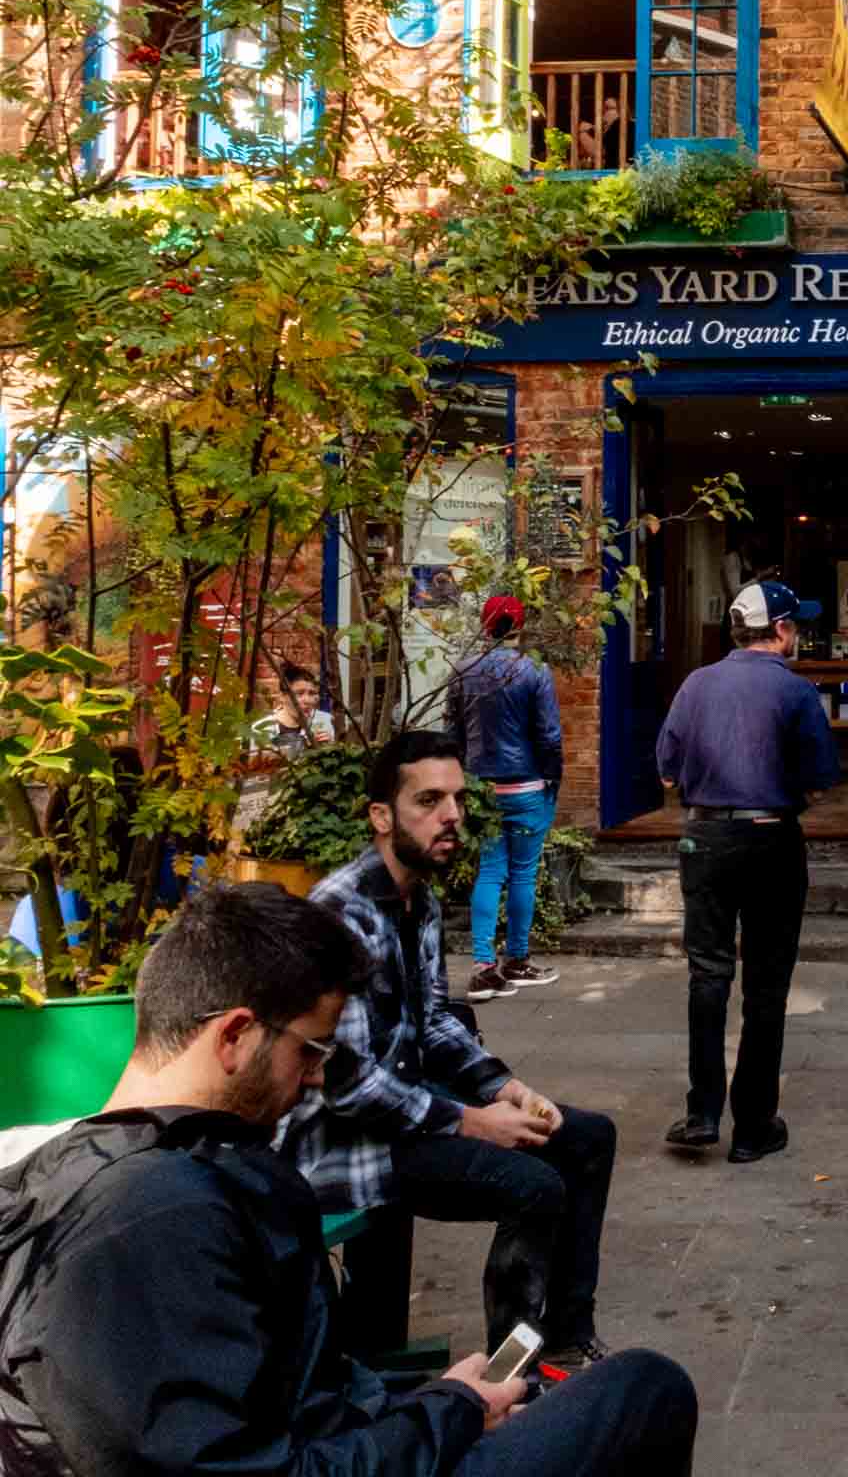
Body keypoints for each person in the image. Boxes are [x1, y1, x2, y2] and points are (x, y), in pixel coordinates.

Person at [0, 881, 695, 1477]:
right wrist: (445, 1417)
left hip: (336, 1433)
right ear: (235, 1036)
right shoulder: (152, 1218)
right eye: (310, 1050)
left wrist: (438, 1406)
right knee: (645, 1390)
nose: (313, 1078)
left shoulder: (100, 1170)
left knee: (529, 1393)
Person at [280, 733, 617, 1369]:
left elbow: (432, 1022)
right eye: (429, 801)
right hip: (342, 1142)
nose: (452, 816)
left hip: (405, 1114)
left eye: (458, 799)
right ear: (382, 816)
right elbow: (346, 1082)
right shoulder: (339, 914)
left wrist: (500, 1087)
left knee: (587, 1136)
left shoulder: (420, 898)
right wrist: (473, 1122)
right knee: (533, 1186)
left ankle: (567, 1341)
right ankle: (512, 1378)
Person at [656, 578, 840, 1163]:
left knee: (707, 974)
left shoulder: (695, 684)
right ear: (781, 629)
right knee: (765, 983)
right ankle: (754, 1126)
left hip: (706, 836)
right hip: (771, 839)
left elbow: (666, 772)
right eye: (796, 626)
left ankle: (701, 1113)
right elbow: (819, 780)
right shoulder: (795, 691)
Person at [448, 595, 563, 999]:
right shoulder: (533, 672)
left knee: (490, 871)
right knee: (523, 874)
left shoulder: (463, 671)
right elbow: (549, 735)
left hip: (482, 787)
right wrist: (553, 779)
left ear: (484, 625)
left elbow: (453, 736)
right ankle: (516, 961)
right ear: (519, 626)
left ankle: (483, 968)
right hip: (527, 786)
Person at [254, 663, 336, 757]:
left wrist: (330, 748)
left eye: (311, 693)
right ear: (282, 696)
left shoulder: (324, 720)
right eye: (300, 693)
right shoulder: (262, 729)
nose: (307, 700)